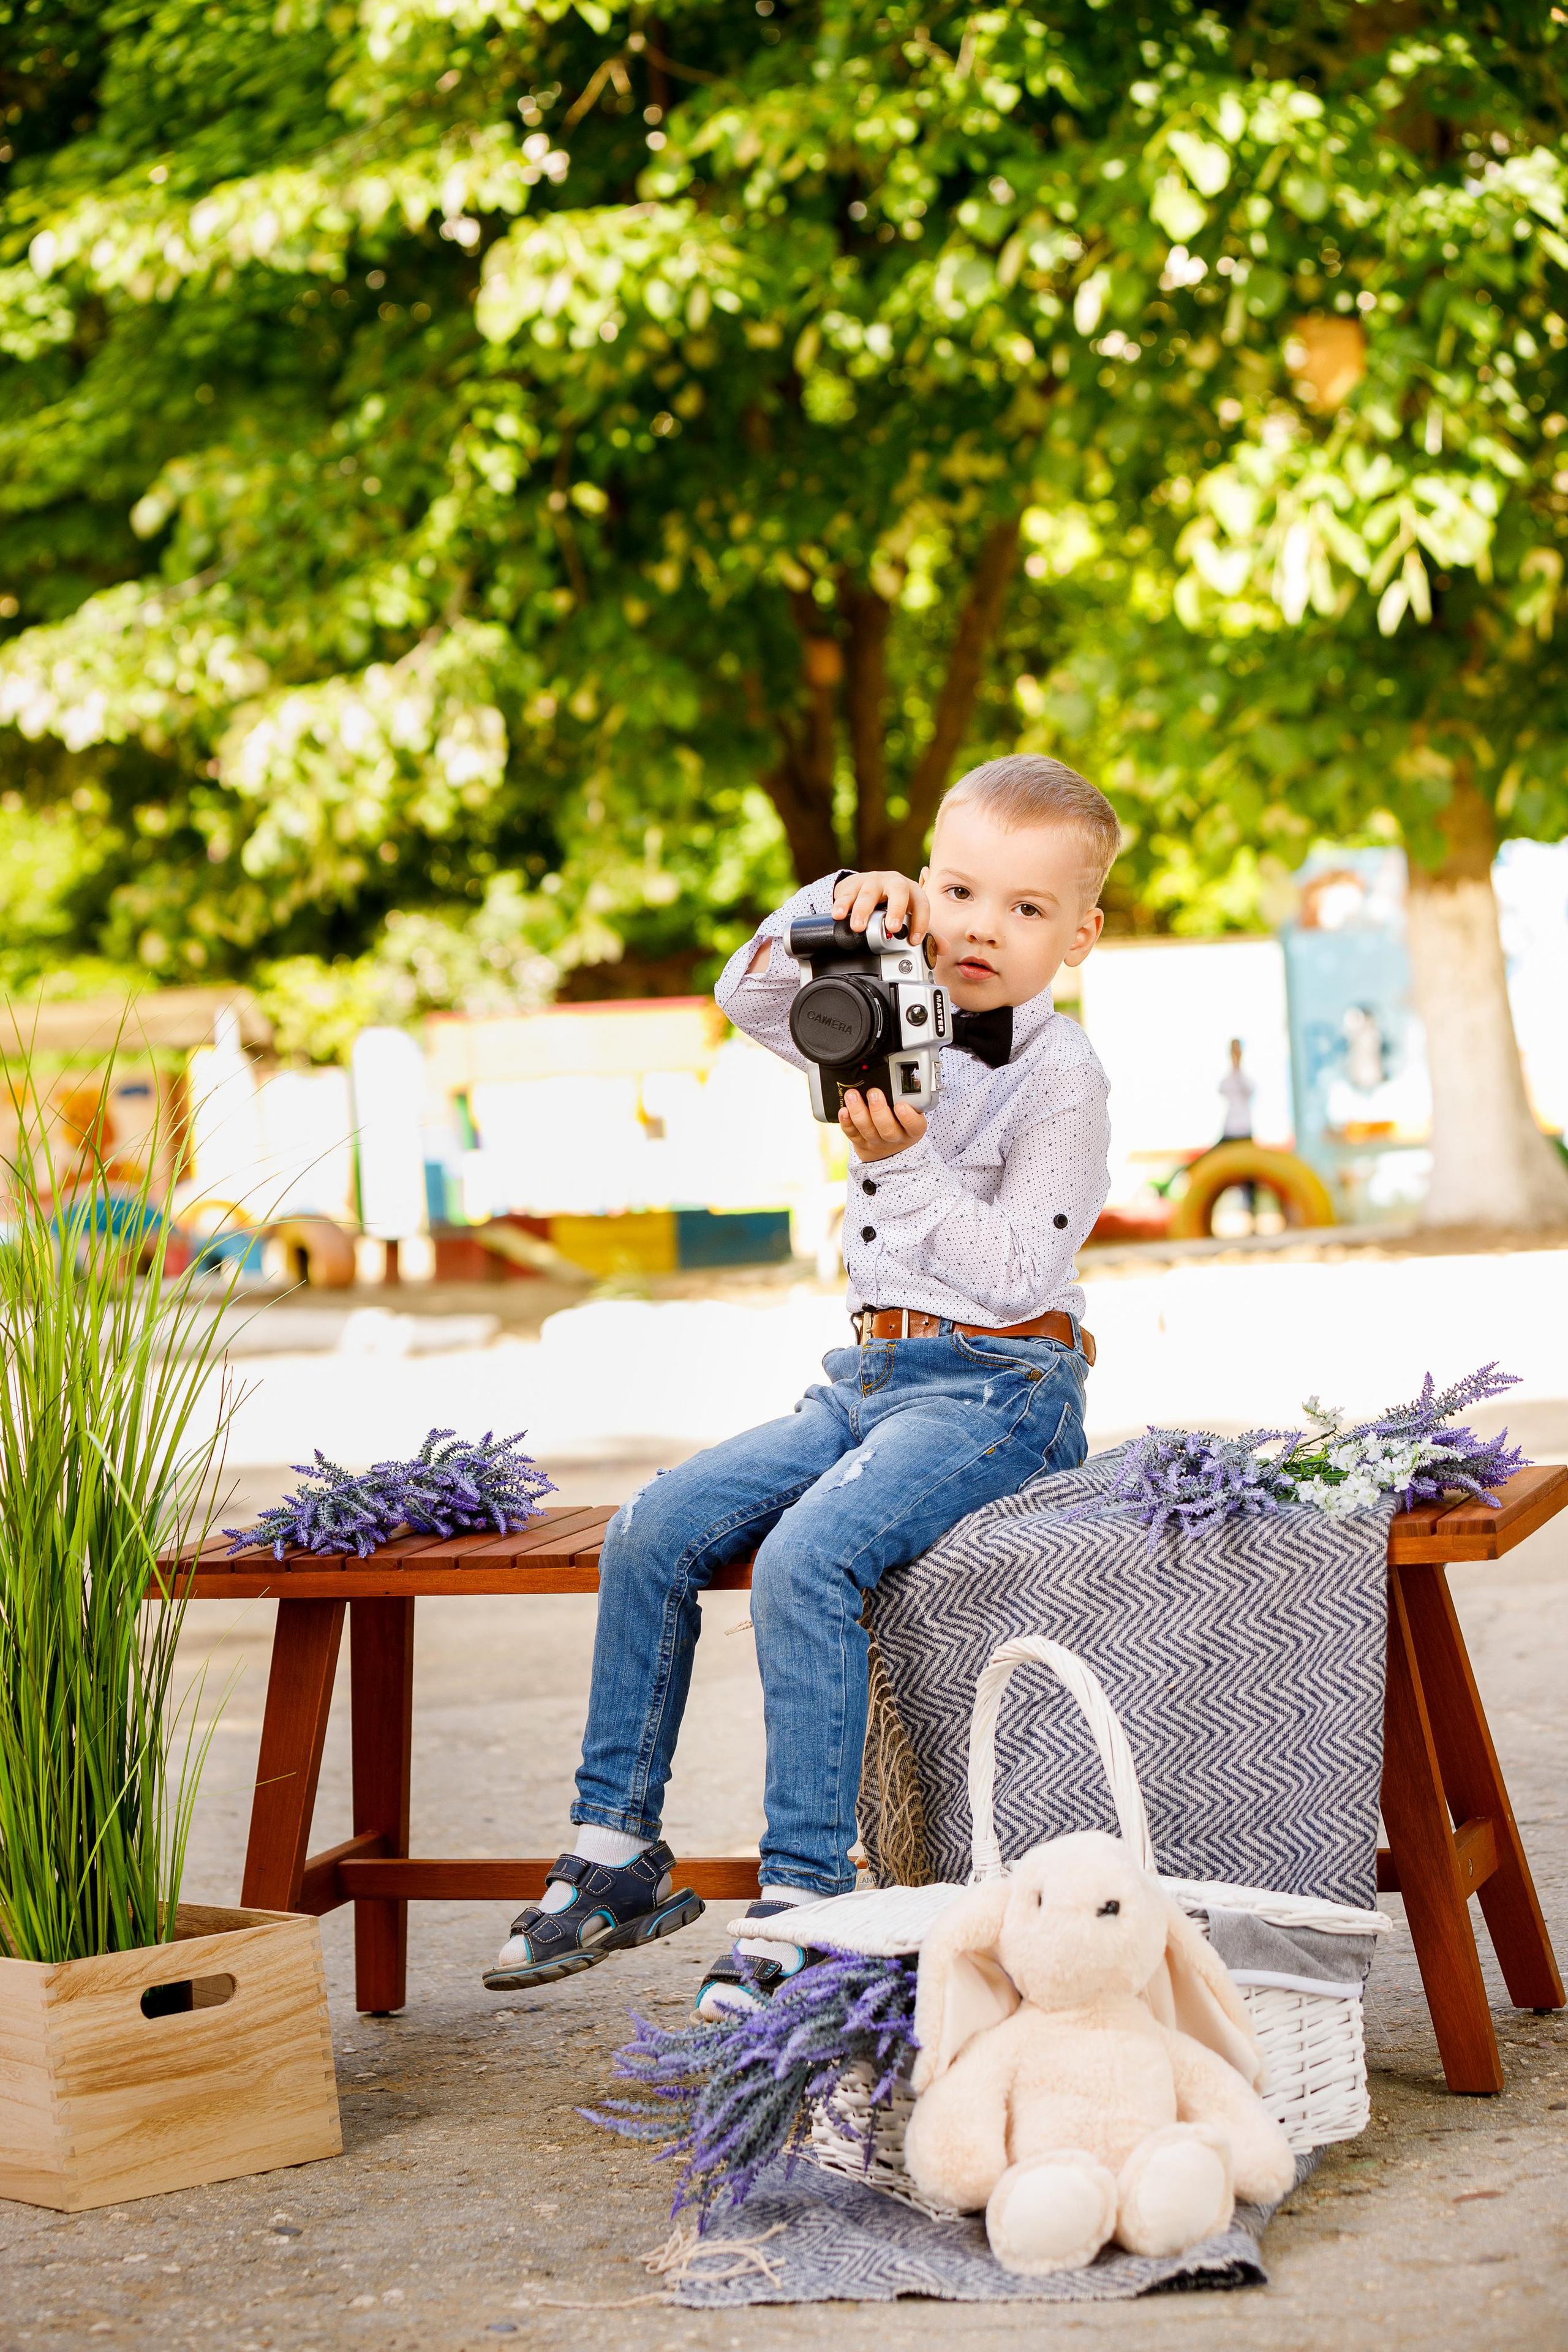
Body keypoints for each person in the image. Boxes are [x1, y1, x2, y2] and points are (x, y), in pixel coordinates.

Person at [483, 755, 1119, 2013]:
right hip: (866, 1377)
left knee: (805, 1560)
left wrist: (901, 1166)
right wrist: (838, 901)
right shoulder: (886, 996)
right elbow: (744, 992)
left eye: (1027, 908)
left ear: (1079, 936)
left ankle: (808, 1903)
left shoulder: (1063, 1076)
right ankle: (612, 1850)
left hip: (1002, 1384)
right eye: (956, 890)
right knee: (652, 1524)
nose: (981, 926)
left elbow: (1007, 1271)